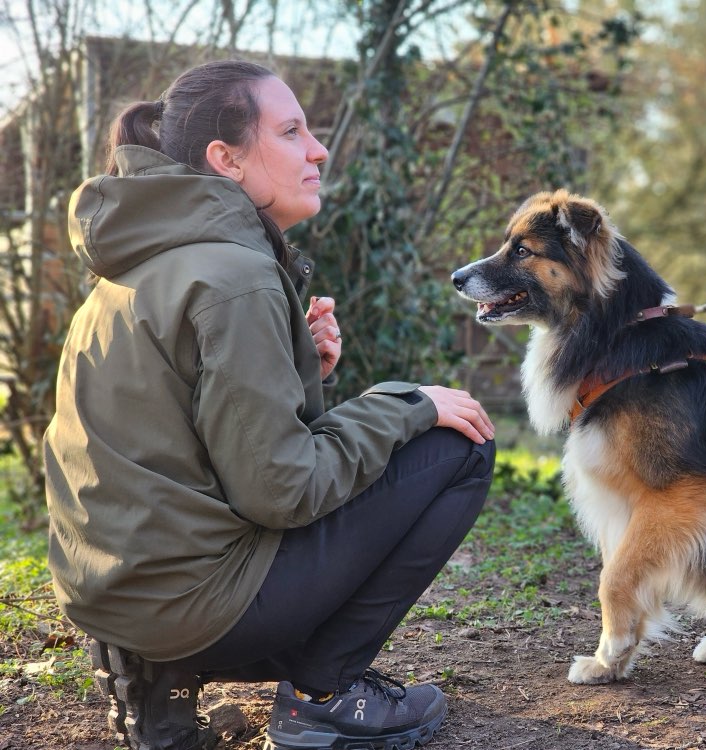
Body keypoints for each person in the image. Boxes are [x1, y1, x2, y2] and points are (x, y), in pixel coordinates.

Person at [43, 59, 496, 750]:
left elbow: (190, 445)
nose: (317, 150)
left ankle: (152, 676)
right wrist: (405, 405)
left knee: (412, 431)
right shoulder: (237, 278)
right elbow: (281, 490)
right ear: (226, 158)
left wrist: (296, 368)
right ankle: (324, 692)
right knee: (457, 444)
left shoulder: (134, 270)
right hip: (197, 607)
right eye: (291, 131)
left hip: (111, 597)